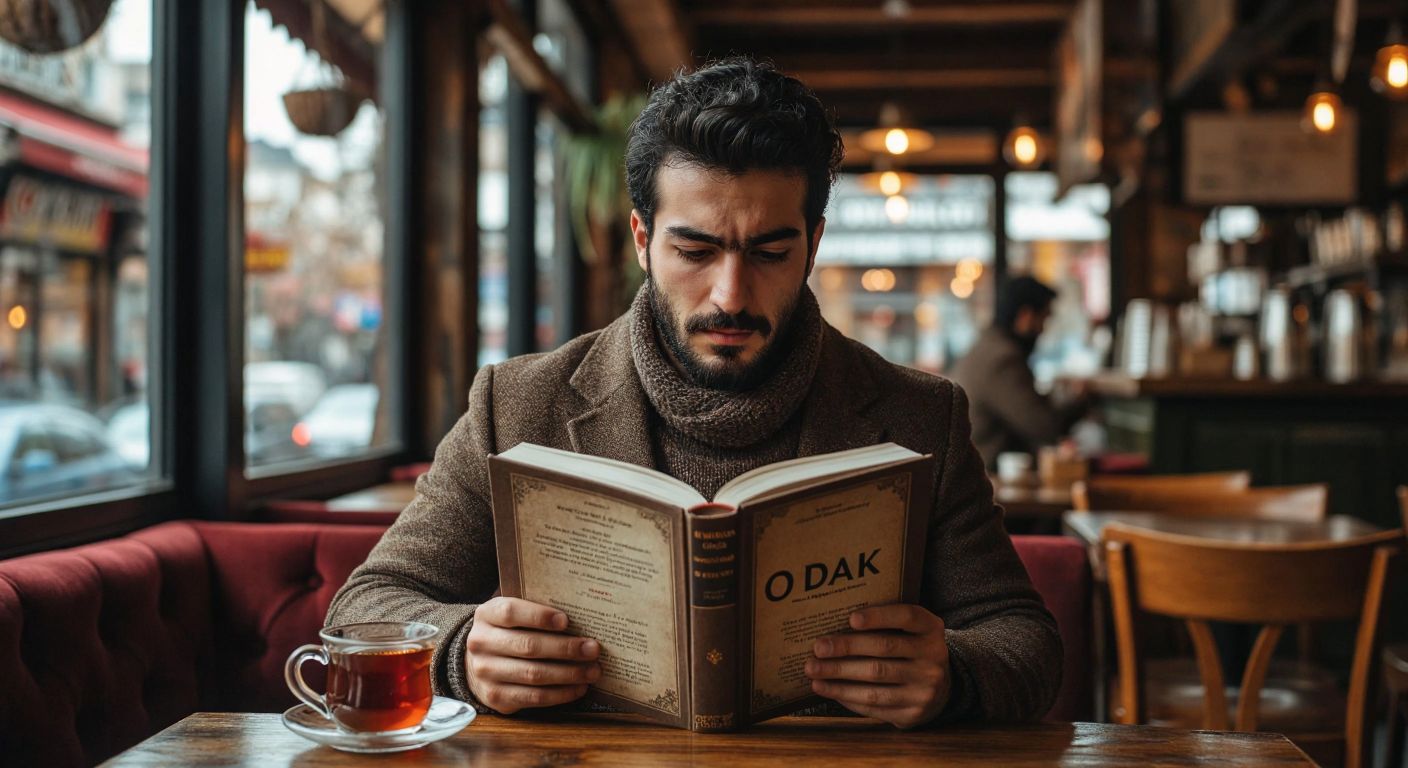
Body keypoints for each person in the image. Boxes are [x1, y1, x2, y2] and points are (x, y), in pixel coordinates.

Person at [328, 57, 1061, 729]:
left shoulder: (919, 414)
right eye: (695, 250)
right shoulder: (519, 404)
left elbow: (1027, 641)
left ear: (815, 242)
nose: (730, 295)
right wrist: (462, 651)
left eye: (771, 252)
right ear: (643, 239)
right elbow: (364, 609)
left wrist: (954, 675)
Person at [948, 276, 1087, 470]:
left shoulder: (987, 346)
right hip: (991, 480)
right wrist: (1082, 398)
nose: (1043, 330)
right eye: (1044, 318)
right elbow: (1043, 426)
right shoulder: (1002, 359)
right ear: (1026, 316)